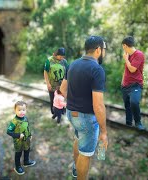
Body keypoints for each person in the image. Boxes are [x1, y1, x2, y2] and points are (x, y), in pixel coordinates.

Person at [60, 36, 108, 180]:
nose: (104, 52)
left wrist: (74, 101)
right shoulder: (97, 69)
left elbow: (62, 89)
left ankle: (76, 168)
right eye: (104, 50)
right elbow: (98, 106)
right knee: (86, 154)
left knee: (78, 138)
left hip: (71, 114)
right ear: (98, 50)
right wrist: (104, 132)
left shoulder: (73, 64)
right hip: (86, 119)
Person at [121, 36, 146, 130]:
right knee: (127, 105)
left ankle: (138, 122)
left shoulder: (138, 54)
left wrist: (126, 59)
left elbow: (132, 69)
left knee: (134, 102)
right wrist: (122, 82)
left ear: (125, 45)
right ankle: (128, 123)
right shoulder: (128, 55)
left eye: (123, 46)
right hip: (125, 85)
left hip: (135, 84)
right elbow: (126, 70)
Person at [7, 100, 36, 175]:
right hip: (18, 142)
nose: (21, 112)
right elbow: (9, 132)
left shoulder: (25, 118)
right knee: (18, 153)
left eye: (23, 110)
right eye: (19, 110)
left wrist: (30, 135)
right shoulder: (14, 121)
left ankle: (26, 161)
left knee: (27, 150)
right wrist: (18, 135)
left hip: (26, 139)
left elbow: (27, 127)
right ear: (15, 110)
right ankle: (17, 166)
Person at [44, 47, 68, 115]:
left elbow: (67, 71)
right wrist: (48, 83)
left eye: (63, 56)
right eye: (60, 56)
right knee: (53, 99)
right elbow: (45, 72)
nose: (62, 58)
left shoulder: (64, 61)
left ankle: (62, 111)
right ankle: (53, 112)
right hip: (52, 84)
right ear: (55, 54)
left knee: (62, 98)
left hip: (61, 85)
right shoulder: (49, 60)